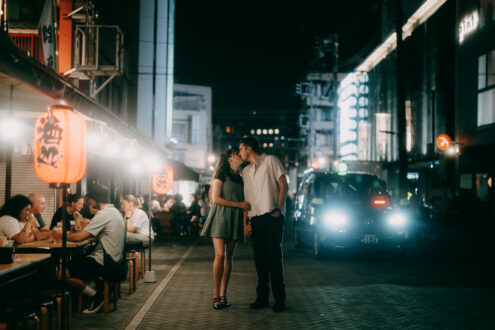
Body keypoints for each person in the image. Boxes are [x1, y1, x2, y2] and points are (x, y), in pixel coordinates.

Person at [52, 184, 125, 314]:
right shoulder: (114, 212)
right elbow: (103, 235)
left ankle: (96, 295)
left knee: (62, 274)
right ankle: (93, 291)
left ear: (95, 199)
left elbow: (80, 237)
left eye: (90, 200)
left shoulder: (103, 214)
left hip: (105, 261)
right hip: (115, 260)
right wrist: (90, 226)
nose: (89, 203)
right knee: (78, 260)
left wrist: (61, 235)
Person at [239, 136, 289, 312]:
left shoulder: (270, 161)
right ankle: (262, 298)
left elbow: (283, 185)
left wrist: (278, 209)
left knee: (274, 258)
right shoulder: (246, 171)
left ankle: (279, 299)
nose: (240, 152)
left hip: (272, 216)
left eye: (241, 149)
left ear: (249, 148)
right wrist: (246, 222)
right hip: (256, 219)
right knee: (259, 261)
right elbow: (246, 199)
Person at [201, 149, 250, 309]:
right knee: (220, 254)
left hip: (235, 219)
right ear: (230, 158)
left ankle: (224, 295)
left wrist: (244, 224)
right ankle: (215, 296)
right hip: (220, 217)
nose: (240, 155)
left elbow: (245, 203)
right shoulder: (221, 174)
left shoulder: (243, 177)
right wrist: (238, 205)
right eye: (237, 153)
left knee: (229, 257)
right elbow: (215, 199)